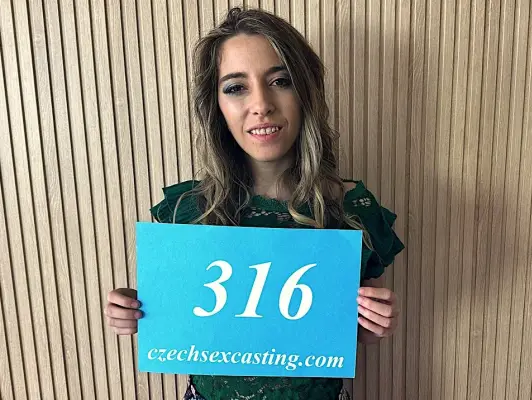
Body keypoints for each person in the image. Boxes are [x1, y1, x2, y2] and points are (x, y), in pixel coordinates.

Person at [104, 7, 404, 400]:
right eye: (236, 87)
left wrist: (376, 321)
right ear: (216, 105)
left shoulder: (350, 209)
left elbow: (358, 330)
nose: (261, 104)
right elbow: (171, 312)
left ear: (305, 92)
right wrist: (133, 309)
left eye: (280, 81)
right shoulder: (188, 213)